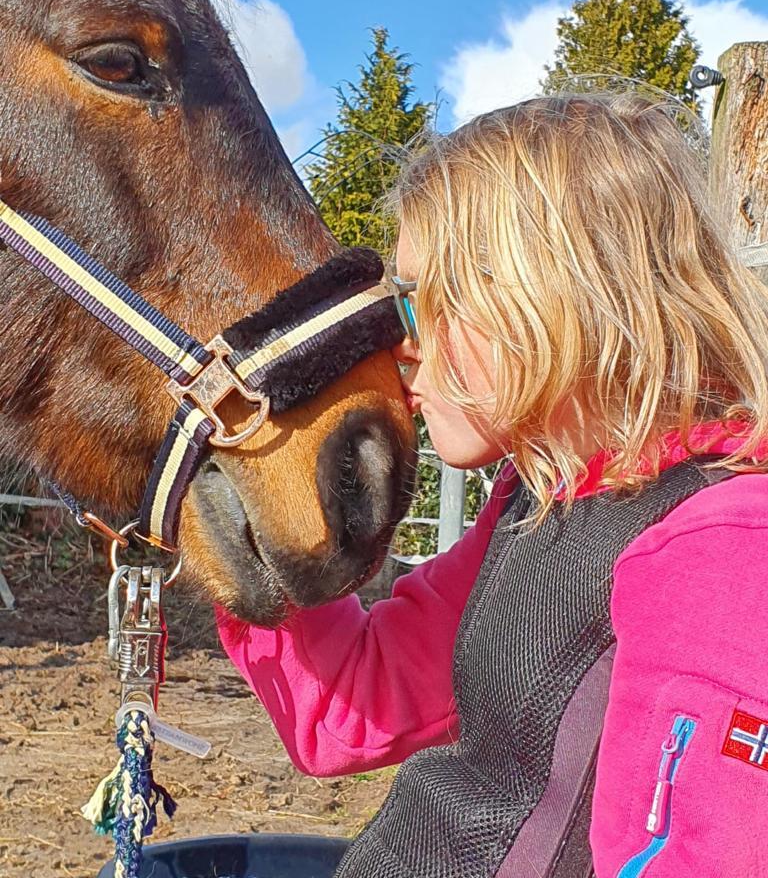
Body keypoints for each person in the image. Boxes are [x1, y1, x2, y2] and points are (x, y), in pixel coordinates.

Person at [217, 93, 768, 877]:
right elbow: (351, 705)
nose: (402, 348)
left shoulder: (724, 551)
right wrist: (254, 518)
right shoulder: (541, 499)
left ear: (550, 293)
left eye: (419, 302)